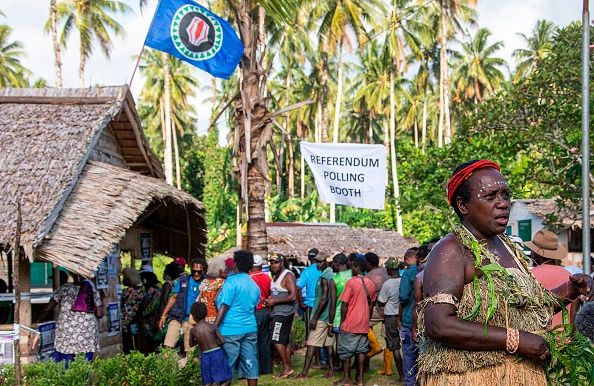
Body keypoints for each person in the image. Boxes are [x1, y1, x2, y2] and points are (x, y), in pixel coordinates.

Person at [417, 159, 594, 385]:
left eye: (505, 195)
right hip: (472, 377)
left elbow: (530, 310)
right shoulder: (452, 250)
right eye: (490, 197)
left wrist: (571, 289)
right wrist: (515, 339)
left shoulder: (506, 245)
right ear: (463, 205)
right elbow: (438, 325)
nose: (503, 204)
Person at [36, 273, 104, 368]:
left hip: (67, 337)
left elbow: (49, 308)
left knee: (65, 369)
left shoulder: (64, 288)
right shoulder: (91, 289)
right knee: (83, 369)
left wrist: (38, 321)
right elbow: (99, 313)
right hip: (87, 337)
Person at [214, 250, 261, 386]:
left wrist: (214, 328)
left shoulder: (231, 281)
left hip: (230, 330)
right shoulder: (254, 285)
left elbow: (224, 307)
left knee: (226, 366)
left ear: (235, 264)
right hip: (250, 328)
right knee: (250, 361)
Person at [335, 257, 376, 386]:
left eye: (352, 266)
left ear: (357, 268)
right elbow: (371, 303)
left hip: (350, 323)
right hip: (363, 323)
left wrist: (342, 322)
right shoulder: (371, 284)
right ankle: (360, 379)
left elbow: (344, 304)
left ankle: (347, 379)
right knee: (361, 350)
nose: (351, 269)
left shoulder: (351, 283)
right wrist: (366, 318)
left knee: (345, 351)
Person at [526, 228, 577, 328]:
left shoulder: (530, 276)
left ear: (536, 254)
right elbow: (573, 315)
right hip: (564, 339)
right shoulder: (570, 277)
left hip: (538, 338)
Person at [296, 251, 335, 379]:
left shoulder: (325, 277)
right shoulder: (331, 274)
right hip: (329, 315)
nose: (317, 264)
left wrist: (314, 317)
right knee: (328, 344)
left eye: (320, 262)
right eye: (316, 261)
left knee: (311, 343)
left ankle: (304, 373)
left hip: (320, 314)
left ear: (326, 261)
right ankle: (331, 370)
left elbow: (324, 298)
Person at [159, 258, 208, 354]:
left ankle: (188, 368)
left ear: (203, 271)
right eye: (194, 271)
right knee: (167, 346)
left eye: (199, 271)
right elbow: (173, 297)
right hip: (177, 316)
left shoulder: (205, 282)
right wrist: (163, 315)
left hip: (193, 320)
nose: (196, 274)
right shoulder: (183, 280)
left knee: (190, 350)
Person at [264, 253, 297, 379]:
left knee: (276, 339)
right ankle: (287, 367)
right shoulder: (275, 277)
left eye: (276, 262)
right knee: (285, 340)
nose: (273, 265)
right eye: (271, 263)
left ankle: (287, 368)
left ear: (282, 263)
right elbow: (278, 294)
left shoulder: (288, 275)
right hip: (277, 312)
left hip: (284, 313)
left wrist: (275, 301)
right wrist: (269, 301)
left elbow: (293, 296)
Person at [189, 302, 233, 386]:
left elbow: (191, 344)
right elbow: (222, 341)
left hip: (205, 355)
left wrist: (199, 341)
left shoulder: (193, 330)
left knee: (208, 380)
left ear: (194, 316)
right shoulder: (212, 327)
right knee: (227, 377)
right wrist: (214, 343)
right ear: (206, 314)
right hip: (217, 353)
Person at [377, 258, 404, 384]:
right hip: (403, 316)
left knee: (394, 347)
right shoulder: (404, 281)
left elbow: (381, 302)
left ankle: (401, 377)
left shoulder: (388, 284)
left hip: (391, 317)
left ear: (389, 269)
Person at [364, 252, 389, 371]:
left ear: (368, 264)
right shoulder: (385, 271)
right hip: (392, 309)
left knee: (364, 324)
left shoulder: (370, 276)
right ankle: (387, 368)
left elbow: (367, 296)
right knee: (388, 338)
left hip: (379, 308)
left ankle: (375, 348)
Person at [249, 254, 273, 375]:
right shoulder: (267, 278)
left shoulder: (248, 278)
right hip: (264, 311)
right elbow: (269, 293)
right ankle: (267, 369)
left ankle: (256, 369)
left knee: (254, 342)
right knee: (265, 341)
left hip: (254, 311)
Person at [398, 248, 419, 386]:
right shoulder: (429, 269)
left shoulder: (408, 274)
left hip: (409, 321)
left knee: (410, 359)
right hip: (426, 322)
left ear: (407, 259)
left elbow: (403, 297)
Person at [328, 253, 352, 369]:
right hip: (353, 314)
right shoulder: (354, 275)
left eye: (332, 262)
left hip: (338, 316)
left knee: (340, 343)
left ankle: (342, 367)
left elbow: (333, 304)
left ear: (337, 264)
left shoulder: (334, 280)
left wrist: (330, 324)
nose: (331, 264)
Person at [297, 249, 323, 344]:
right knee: (323, 332)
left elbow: (298, 288)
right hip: (323, 304)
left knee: (310, 333)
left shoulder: (306, 271)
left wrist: (301, 304)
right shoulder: (323, 270)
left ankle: (314, 357)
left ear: (308, 258)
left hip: (310, 306)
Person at [121, 267, 145, 354]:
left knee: (127, 344)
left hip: (127, 321)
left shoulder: (128, 291)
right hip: (135, 320)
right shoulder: (141, 291)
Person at [137, 271, 161, 354]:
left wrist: (139, 315)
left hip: (148, 320)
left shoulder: (150, 290)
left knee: (145, 343)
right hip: (156, 318)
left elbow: (144, 304)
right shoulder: (159, 289)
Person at [197, 257, 226, 323]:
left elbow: (199, 299)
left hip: (204, 318)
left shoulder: (204, 282)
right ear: (221, 270)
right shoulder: (222, 282)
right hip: (217, 318)